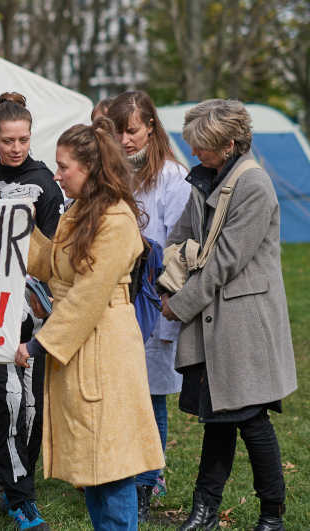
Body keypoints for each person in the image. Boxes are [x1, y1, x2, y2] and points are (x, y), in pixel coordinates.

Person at [16, 117, 164, 530]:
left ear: (91, 168)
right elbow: (50, 266)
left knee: (112, 468)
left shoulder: (115, 220)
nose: (57, 175)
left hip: (104, 352)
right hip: (80, 350)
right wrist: (20, 228)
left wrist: (37, 345)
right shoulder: (79, 211)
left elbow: (87, 296)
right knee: (94, 471)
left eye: (64, 167)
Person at [160, 100, 296, 531]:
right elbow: (182, 233)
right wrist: (168, 272)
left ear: (229, 144)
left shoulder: (253, 185)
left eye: (201, 145)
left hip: (242, 324)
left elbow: (224, 263)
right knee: (217, 420)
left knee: (251, 422)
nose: (194, 152)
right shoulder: (210, 177)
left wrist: (177, 304)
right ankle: (205, 509)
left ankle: (272, 513)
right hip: (211, 321)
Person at [0, 93, 58, 530]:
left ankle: (17, 482)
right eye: (7, 140)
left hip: (31, 309)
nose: (16, 148)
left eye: (23, 139)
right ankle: (18, 492)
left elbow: (53, 252)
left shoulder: (45, 182)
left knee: (31, 405)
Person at [107, 90, 190, 520]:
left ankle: (147, 479)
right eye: (119, 131)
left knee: (150, 394)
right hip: (118, 300)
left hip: (155, 300)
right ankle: (125, 470)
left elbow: (180, 242)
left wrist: (164, 292)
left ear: (151, 127)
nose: (125, 140)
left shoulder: (174, 178)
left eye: (133, 131)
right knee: (122, 390)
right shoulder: (118, 174)